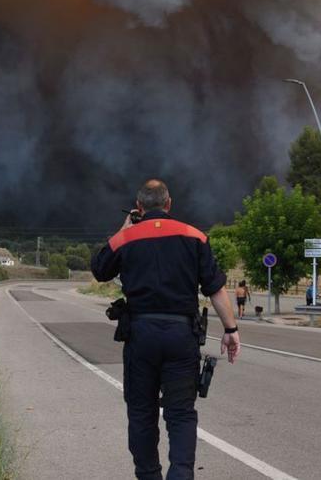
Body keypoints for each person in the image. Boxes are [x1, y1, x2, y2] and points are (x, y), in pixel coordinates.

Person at [91, 179, 241, 480]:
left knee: (142, 414)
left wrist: (124, 228)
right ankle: (181, 475)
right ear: (169, 204)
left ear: (139, 207)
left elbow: (99, 269)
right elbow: (216, 289)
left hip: (140, 336)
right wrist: (231, 329)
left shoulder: (127, 238)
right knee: (181, 413)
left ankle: (149, 476)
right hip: (181, 336)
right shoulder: (195, 236)